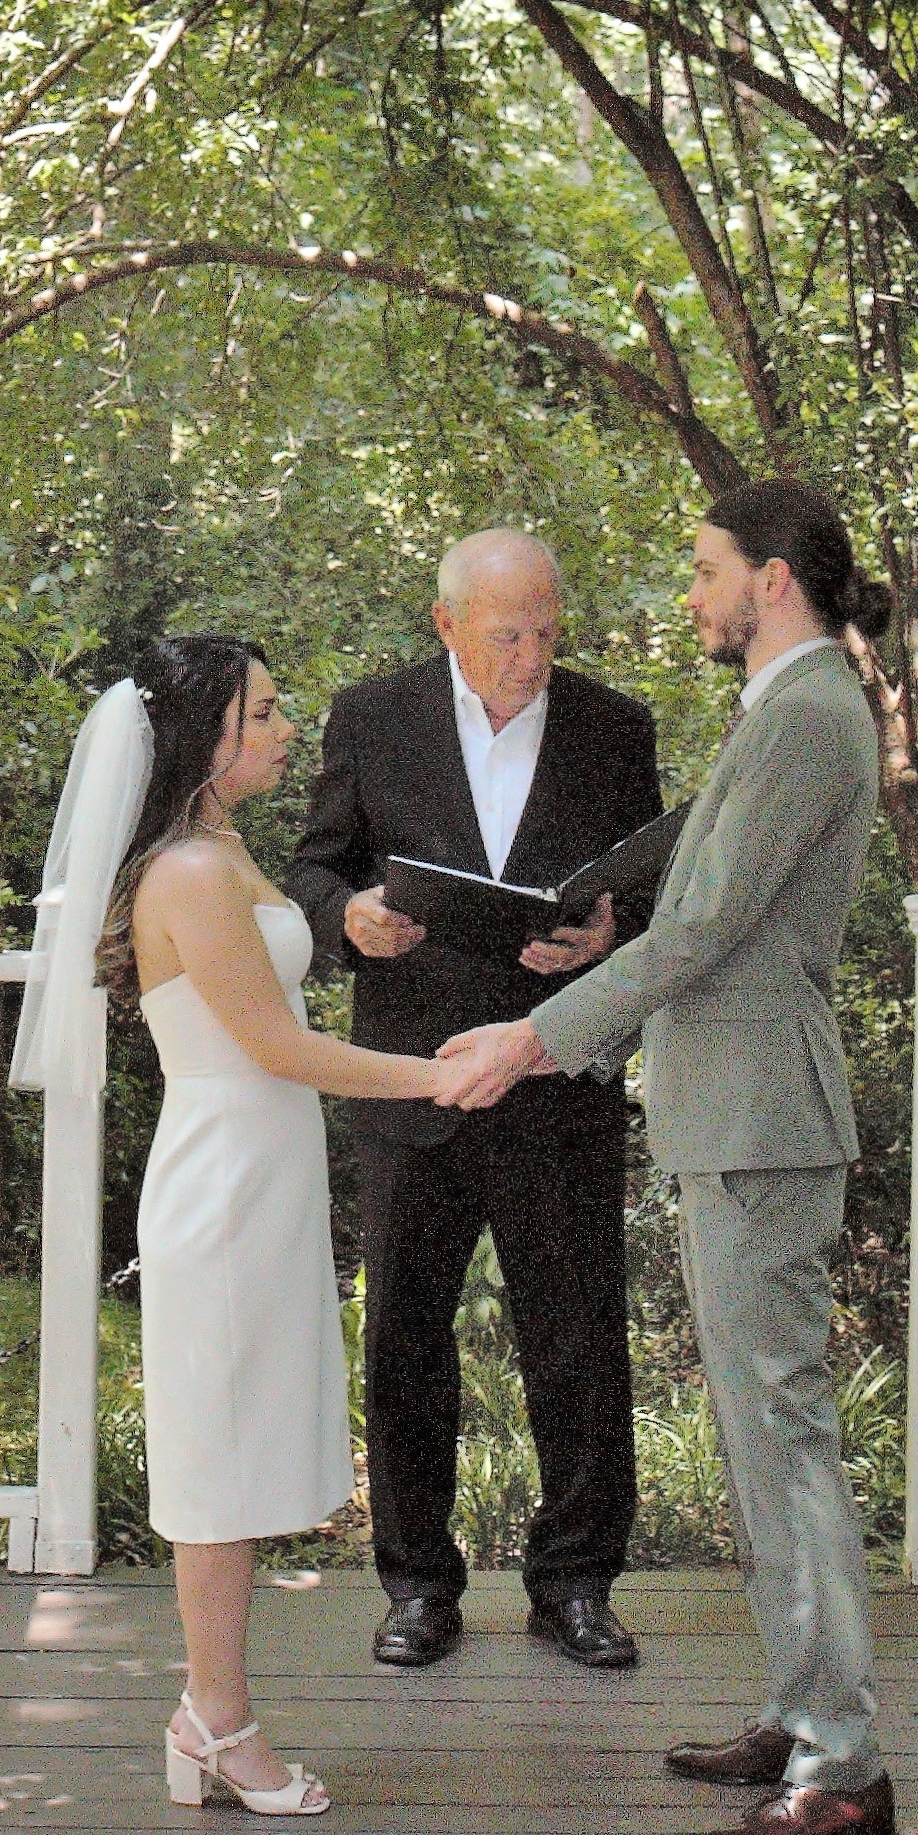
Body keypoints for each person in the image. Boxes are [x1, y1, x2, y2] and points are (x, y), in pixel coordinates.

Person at [435, 482, 901, 1835]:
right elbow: (711, 920)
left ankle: (841, 1768)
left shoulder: (811, 714)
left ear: (770, 580)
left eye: (703, 569)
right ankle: (797, 1707)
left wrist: (535, 1036)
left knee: (785, 1442)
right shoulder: (788, 712)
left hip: (762, 1119)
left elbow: (700, 929)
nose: (689, 593)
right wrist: (592, 963)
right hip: (734, 1110)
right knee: (766, 1444)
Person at [281, 529, 669, 1675]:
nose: (531, 654)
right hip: (412, 1078)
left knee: (582, 1335)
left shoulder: (614, 724)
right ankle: (415, 1582)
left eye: (547, 629)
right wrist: (346, 915)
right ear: (446, 621)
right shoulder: (372, 714)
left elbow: (650, 897)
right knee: (406, 1331)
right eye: (507, 632)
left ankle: (578, 1582)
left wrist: (608, 933)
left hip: (555, 1077)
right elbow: (311, 868)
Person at [97, 633, 449, 1818]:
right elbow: (277, 1045)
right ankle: (217, 1721)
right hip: (224, 1180)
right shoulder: (191, 872)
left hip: (264, 1171)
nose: (289, 726)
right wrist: (441, 1074)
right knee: (215, 1463)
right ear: (206, 735)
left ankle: (213, 1712)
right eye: (265, 710)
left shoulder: (223, 848)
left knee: (237, 1453)